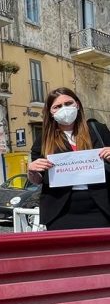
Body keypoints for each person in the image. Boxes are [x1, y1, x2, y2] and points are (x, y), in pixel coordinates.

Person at [27, 87, 110, 230]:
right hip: (60, 211)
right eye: (57, 106)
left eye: (68, 103)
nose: (64, 109)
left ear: (77, 104)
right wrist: (31, 170)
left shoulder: (97, 129)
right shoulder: (43, 140)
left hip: (101, 207)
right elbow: (38, 179)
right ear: (50, 112)